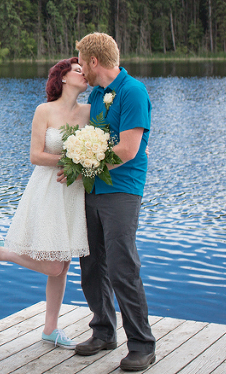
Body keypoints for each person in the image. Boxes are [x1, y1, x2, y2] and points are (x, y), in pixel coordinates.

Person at [0, 57, 91, 349]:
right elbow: (36, 155)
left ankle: (50, 329)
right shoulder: (44, 110)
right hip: (49, 189)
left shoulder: (89, 111)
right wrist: (70, 160)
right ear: (63, 77)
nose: (84, 74)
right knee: (54, 267)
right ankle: (0, 252)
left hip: (74, 192)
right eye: (78, 70)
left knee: (63, 265)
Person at [61, 32, 156, 371]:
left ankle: (142, 345)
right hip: (92, 189)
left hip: (122, 189)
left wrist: (83, 164)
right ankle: (103, 332)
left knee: (121, 267)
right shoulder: (98, 94)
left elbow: (128, 149)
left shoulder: (133, 92)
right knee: (91, 264)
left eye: (81, 62)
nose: (81, 69)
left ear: (94, 61)